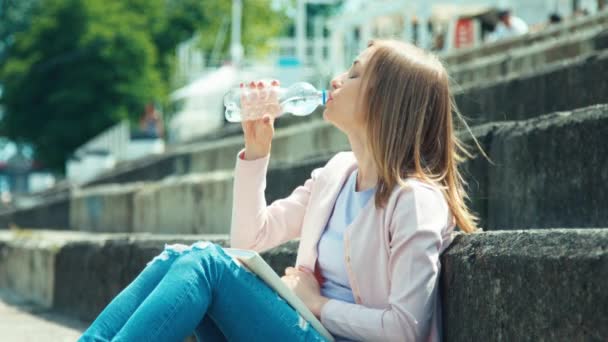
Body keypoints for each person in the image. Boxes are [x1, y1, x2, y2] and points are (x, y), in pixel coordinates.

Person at [79, 39, 482, 341]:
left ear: (387, 101)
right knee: (180, 257)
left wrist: (318, 304)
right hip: (299, 327)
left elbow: (405, 329)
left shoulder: (414, 201)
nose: (336, 79)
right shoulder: (337, 175)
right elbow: (248, 241)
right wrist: (256, 152)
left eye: (355, 74)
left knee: (204, 262)